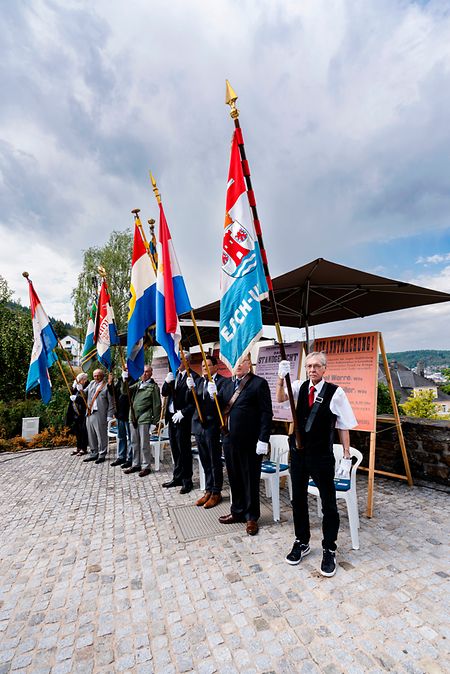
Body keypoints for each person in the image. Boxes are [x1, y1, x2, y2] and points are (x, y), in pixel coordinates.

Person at [276, 351, 357, 577]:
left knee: (329, 503)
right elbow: (281, 397)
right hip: (299, 454)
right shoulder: (300, 387)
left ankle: (329, 547)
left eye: (316, 366)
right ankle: (302, 541)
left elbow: (344, 425)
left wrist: (347, 455)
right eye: (309, 366)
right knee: (298, 499)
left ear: (324, 369)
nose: (312, 369)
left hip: (322, 455)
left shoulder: (335, 392)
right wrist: (281, 378)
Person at [211, 354, 272, 536]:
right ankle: (237, 511)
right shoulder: (228, 384)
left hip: (250, 441)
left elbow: (266, 413)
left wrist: (263, 439)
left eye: (242, 361)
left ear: (249, 364)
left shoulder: (258, 383)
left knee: (250, 479)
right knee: (234, 477)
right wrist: (211, 394)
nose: (238, 365)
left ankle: (252, 516)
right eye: (236, 362)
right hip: (229, 439)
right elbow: (219, 408)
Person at [186, 355, 226, 509]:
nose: (205, 368)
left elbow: (225, 403)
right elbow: (191, 402)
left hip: (212, 426)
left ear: (215, 367)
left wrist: (214, 395)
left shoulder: (222, 382)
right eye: (203, 365)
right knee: (205, 460)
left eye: (208, 365)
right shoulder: (199, 381)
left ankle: (217, 492)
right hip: (198, 426)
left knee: (214, 460)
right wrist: (190, 390)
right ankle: (209, 490)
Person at [161, 354, 199, 494]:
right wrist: (166, 382)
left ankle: (187, 481)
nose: (176, 362)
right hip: (172, 418)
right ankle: (177, 477)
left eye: (179, 359)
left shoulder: (193, 377)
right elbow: (164, 393)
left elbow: (195, 401)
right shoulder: (174, 375)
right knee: (175, 449)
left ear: (187, 361)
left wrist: (183, 412)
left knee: (184, 450)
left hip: (183, 418)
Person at [121, 365, 161, 477]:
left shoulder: (153, 388)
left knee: (144, 444)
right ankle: (135, 464)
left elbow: (157, 405)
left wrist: (155, 422)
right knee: (134, 442)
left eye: (147, 372)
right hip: (133, 417)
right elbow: (125, 392)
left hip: (145, 417)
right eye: (143, 372)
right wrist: (125, 379)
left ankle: (146, 466)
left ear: (151, 373)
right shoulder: (138, 385)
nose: (145, 374)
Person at [83, 369, 114, 464]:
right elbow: (84, 393)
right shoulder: (91, 383)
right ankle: (94, 453)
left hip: (100, 413)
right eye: (94, 375)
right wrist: (79, 388)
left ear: (102, 376)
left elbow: (111, 403)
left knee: (101, 435)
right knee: (91, 435)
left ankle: (102, 454)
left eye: (98, 375)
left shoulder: (106, 386)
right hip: (90, 412)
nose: (96, 377)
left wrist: (109, 415)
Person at [107, 373, 132, 467]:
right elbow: (114, 393)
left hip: (129, 414)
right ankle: (121, 457)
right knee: (121, 437)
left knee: (130, 438)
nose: (126, 370)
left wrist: (125, 381)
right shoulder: (119, 380)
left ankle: (130, 459)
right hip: (119, 414)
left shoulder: (134, 380)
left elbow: (126, 392)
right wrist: (110, 383)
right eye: (124, 369)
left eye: (127, 369)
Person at [66, 373, 89, 456]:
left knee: (83, 432)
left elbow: (85, 399)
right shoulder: (76, 388)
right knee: (77, 432)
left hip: (83, 413)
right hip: (75, 414)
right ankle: (78, 447)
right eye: (79, 380)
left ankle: (84, 448)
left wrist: (78, 398)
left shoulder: (86, 387)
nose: (80, 381)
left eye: (82, 380)